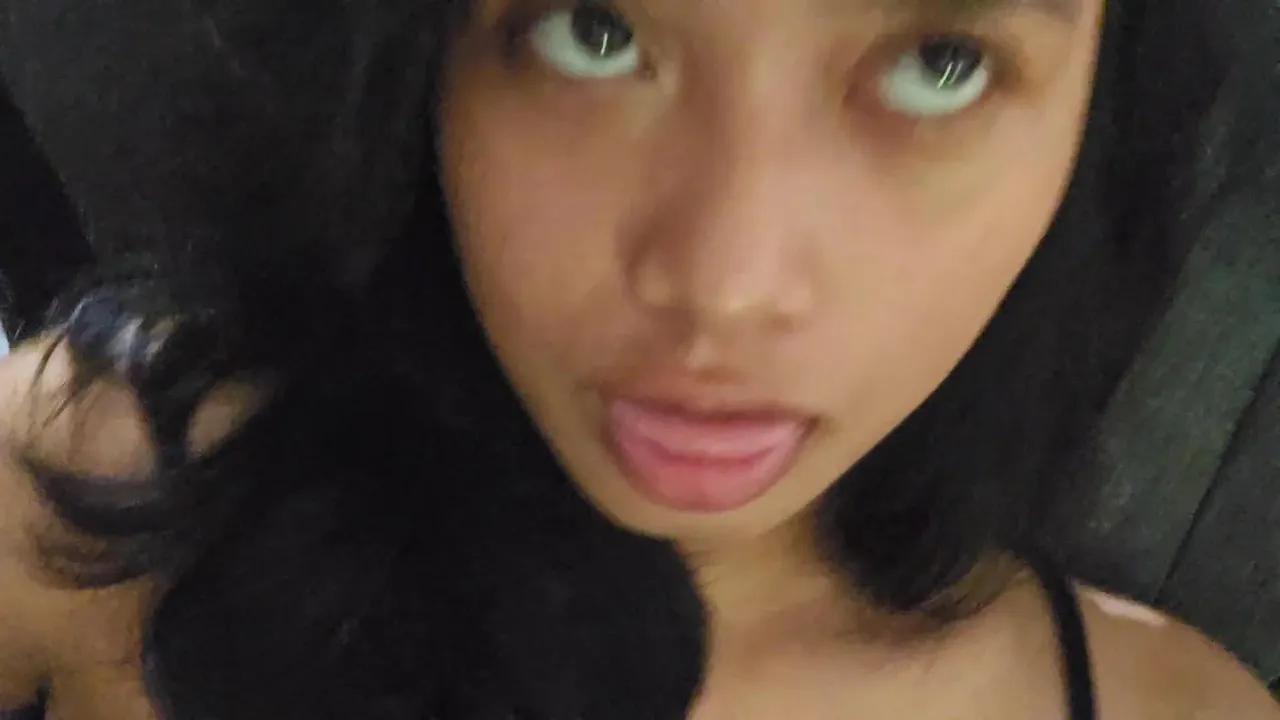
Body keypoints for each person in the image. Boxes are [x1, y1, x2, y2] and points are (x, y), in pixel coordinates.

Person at [0, 0, 1277, 718]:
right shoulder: (90, 495)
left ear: (1093, 116)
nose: (725, 283)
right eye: (592, 30)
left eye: (938, 65)